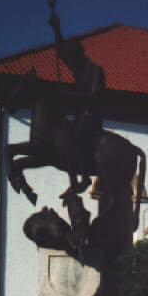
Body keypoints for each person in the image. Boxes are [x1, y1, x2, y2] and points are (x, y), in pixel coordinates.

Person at [48, 10, 106, 191]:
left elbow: (93, 96)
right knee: (63, 137)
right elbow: (61, 51)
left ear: (80, 54)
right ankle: (73, 180)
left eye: (72, 56)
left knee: (74, 139)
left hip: (91, 115)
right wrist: (56, 28)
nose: (70, 60)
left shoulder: (95, 70)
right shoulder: (78, 68)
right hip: (81, 114)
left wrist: (67, 95)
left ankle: (84, 179)